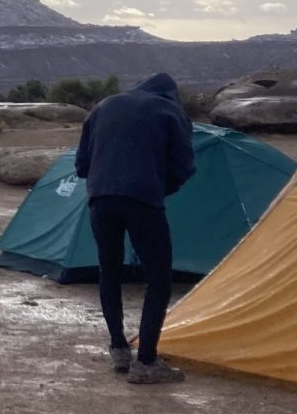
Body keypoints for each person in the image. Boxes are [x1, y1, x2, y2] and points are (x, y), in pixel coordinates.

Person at [74, 72, 196, 385]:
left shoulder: (104, 106)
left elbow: (81, 166)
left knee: (109, 271)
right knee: (158, 279)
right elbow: (183, 167)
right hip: (143, 199)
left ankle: (118, 348)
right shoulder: (170, 112)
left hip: (100, 199)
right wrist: (158, 187)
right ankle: (146, 361)